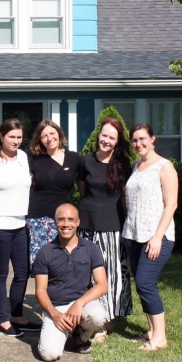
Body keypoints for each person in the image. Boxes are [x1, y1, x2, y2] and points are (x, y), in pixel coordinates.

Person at [0, 119, 41, 337]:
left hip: (19, 223)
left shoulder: (23, 157)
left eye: (19, 137)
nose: (16, 141)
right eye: (11, 137)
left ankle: (17, 316)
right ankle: (3, 321)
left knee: (22, 273)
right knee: (1, 273)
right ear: (1, 136)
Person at [77, 117, 133, 341]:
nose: (106, 140)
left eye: (112, 137)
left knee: (112, 273)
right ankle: (90, 315)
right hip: (87, 223)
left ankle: (107, 319)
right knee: (88, 273)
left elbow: (124, 199)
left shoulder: (122, 165)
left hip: (112, 225)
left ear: (117, 141)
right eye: (104, 135)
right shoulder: (85, 161)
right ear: (98, 135)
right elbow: (83, 191)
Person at [123, 123, 178, 351]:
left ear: (153, 139)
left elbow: (171, 204)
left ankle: (160, 338)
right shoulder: (137, 166)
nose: (139, 144)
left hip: (156, 236)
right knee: (142, 285)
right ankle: (151, 331)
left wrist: (157, 237)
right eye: (135, 140)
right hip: (133, 235)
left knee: (145, 283)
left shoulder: (165, 167)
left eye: (143, 139)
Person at [33, 203, 108, 361]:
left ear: (78, 222)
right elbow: (40, 290)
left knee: (98, 316)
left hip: (82, 305)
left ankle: (81, 336)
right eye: (61, 220)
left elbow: (102, 285)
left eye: (70, 219)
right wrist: (55, 315)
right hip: (56, 307)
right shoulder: (45, 252)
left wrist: (79, 303)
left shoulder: (91, 248)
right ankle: (65, 330)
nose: (66, 224)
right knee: (49, 355)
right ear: (55, 222)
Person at [27, 120, 80, 270]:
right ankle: (42, 294)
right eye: (44, 136)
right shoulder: (33, 160)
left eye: (52, 133)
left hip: (64, 221)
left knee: (64, 264)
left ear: (59, 134)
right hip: (38, 219)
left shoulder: (74, 158)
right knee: (41, 266)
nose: (49, 138)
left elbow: (82, 186)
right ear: (39, 139)